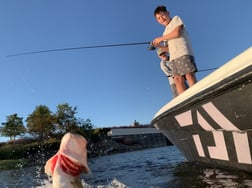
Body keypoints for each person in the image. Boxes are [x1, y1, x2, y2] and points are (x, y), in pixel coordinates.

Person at [151, 5, 197, 95]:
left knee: (188, 74)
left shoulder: (175, 19)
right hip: (173, 57)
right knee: (177, 79)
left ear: (168, 13)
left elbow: (177, 33)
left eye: (162, 15)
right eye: (158, 18)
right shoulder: (164, 32)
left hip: (183, 52)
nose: (161, 18)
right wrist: (159, 46)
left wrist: (160, 38)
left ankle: (197, 94)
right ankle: (184, 101)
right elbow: (169, 49)